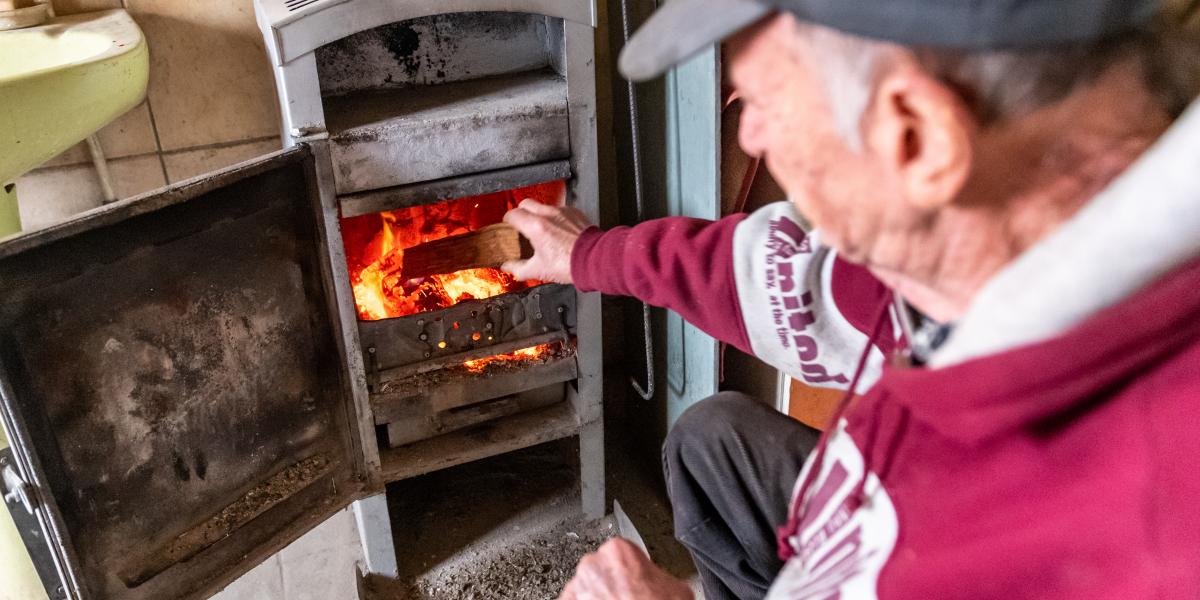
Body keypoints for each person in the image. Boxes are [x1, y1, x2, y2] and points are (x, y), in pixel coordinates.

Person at [502, 0, 1200, 598]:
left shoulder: (1144, 541)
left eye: (768, 102)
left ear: (919, 139)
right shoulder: (983, 244)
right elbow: (786, 281)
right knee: (710, 441)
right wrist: (587, 254)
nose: (749, 134)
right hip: (875, 498)